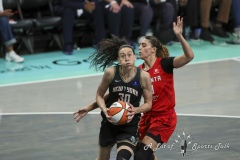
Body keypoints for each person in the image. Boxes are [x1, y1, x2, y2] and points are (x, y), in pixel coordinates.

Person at [74, 16, 194, 160]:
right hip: (146, 119)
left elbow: (189, 56)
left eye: (143, 45)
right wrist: (89, 107)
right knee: (145, 155)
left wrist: (179, 36)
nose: (140, 47)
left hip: (164, 119)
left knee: (141, 155)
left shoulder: (165, 64)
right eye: (139, 45)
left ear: (153, 49)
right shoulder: (137, 72)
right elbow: (111, 95)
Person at [75, 35, 152, 160]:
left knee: (122, 158)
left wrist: (135, 110)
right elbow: (100, 96)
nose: (127, 58)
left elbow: (148, 104)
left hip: (129, 125)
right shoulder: (111, 72)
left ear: (134, 57)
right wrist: (104, 110)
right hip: (109, 123)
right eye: (123, 56)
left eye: (129, 55)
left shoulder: (144, 76)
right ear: (118, 59)